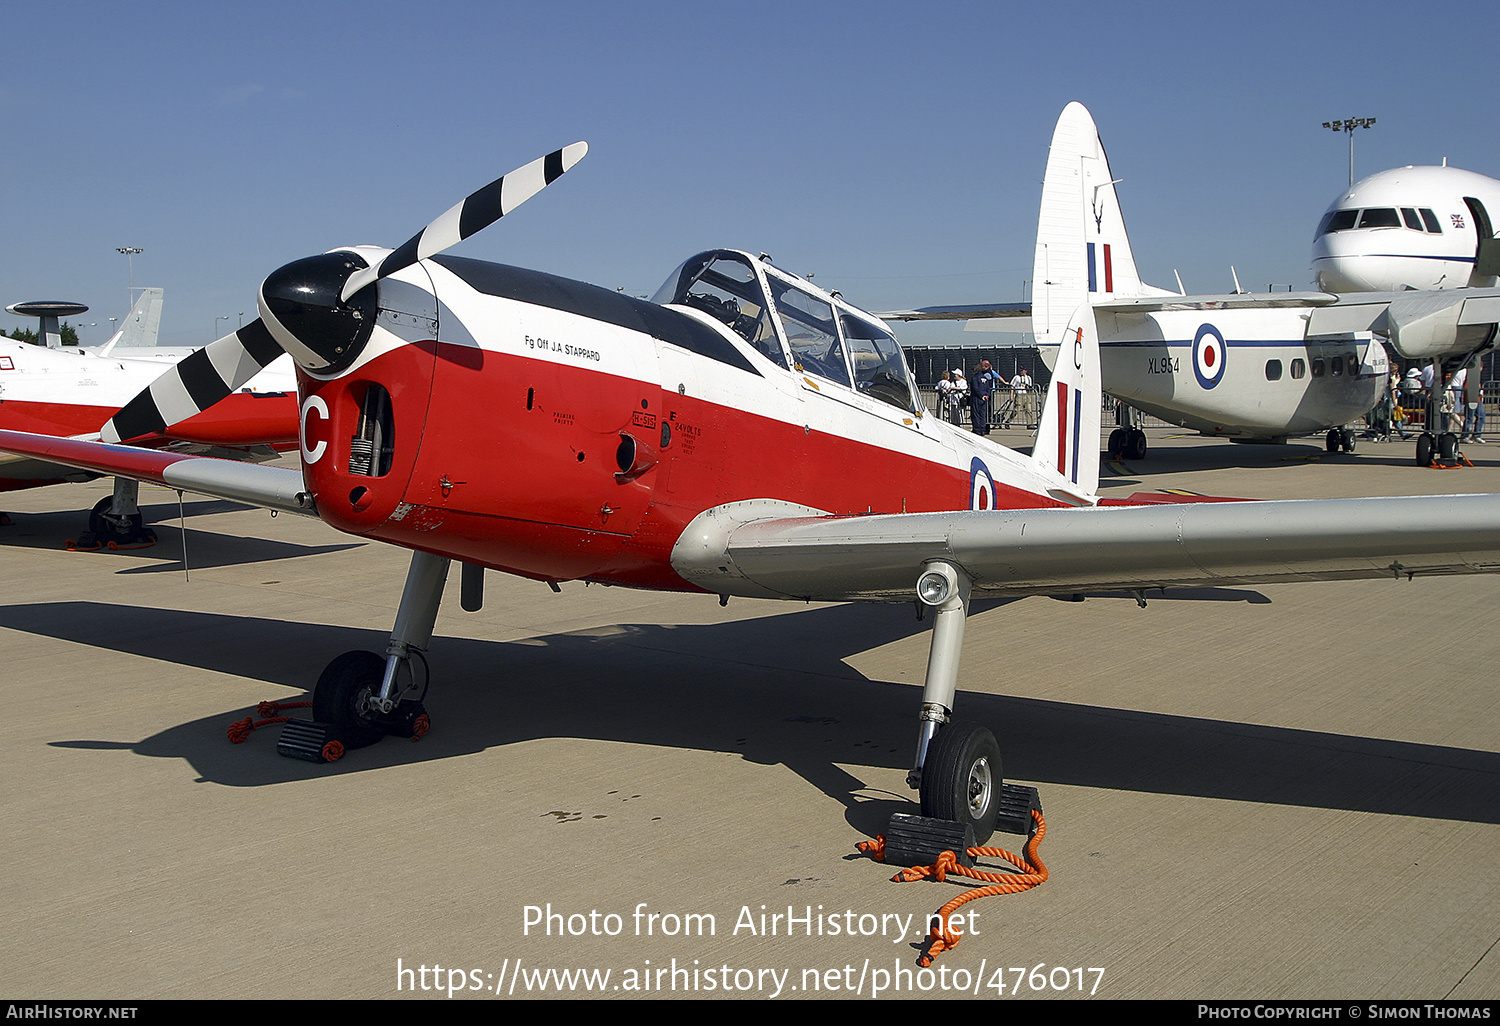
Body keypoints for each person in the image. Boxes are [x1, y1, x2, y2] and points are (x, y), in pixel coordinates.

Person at [969, 360, 1002, 435]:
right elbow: (988, 387)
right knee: (983, 414)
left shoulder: (975, 378)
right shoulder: (984, 377)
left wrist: (981, 395)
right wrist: (986, 395)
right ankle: (982, 428)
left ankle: (977, 428)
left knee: (976, 413)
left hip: (977, 398)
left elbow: (975, 388)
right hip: (984, 398)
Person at [1464, 362, 1486, 443]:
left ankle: (1477, 435)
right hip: (1471, 399)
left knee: (1481, 417)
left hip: (1478, 400)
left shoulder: (1477, 377)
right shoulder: (1469, 377)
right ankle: (1465, 435)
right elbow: (1466, 387)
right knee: (1469, 418)